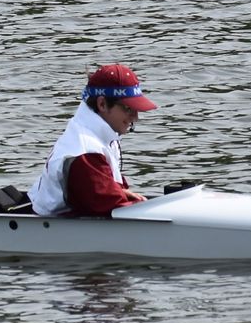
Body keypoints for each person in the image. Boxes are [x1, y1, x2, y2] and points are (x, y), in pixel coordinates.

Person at [27, 64, 156, 216]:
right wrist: (142, 204)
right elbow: (111, 207)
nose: (135, 117)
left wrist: (121, 193)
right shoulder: (86, 154)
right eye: (128, 109)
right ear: (102, 104)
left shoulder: (95, 133)